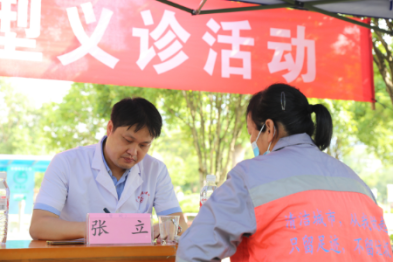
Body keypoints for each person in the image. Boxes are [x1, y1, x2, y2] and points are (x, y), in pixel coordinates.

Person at [176, 84, 392, 261]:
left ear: (269, 129)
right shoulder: (356, 181)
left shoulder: (249, 176)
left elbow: (192, 251)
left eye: (252, 133)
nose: (252, 142)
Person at [30, 97, 187, 240]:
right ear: (110, 128)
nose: (133, 152)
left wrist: (166, 228)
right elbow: (39, 226)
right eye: (127, 140)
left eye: (143, 145)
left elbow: (179, 224)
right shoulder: (66, 162)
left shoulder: (155, 169)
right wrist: (99, 228)